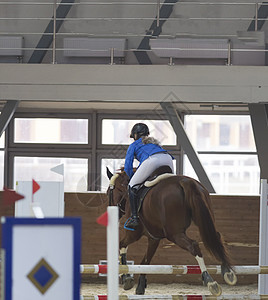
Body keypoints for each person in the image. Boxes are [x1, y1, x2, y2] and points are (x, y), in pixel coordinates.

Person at [124, 123, 174, 230]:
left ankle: (134, 218)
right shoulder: (154, 144)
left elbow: (128, 166)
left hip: (152, 161)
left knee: (132, 186)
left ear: (135, 135)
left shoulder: (134, 145)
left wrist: (133, 178)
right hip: (168, 159)